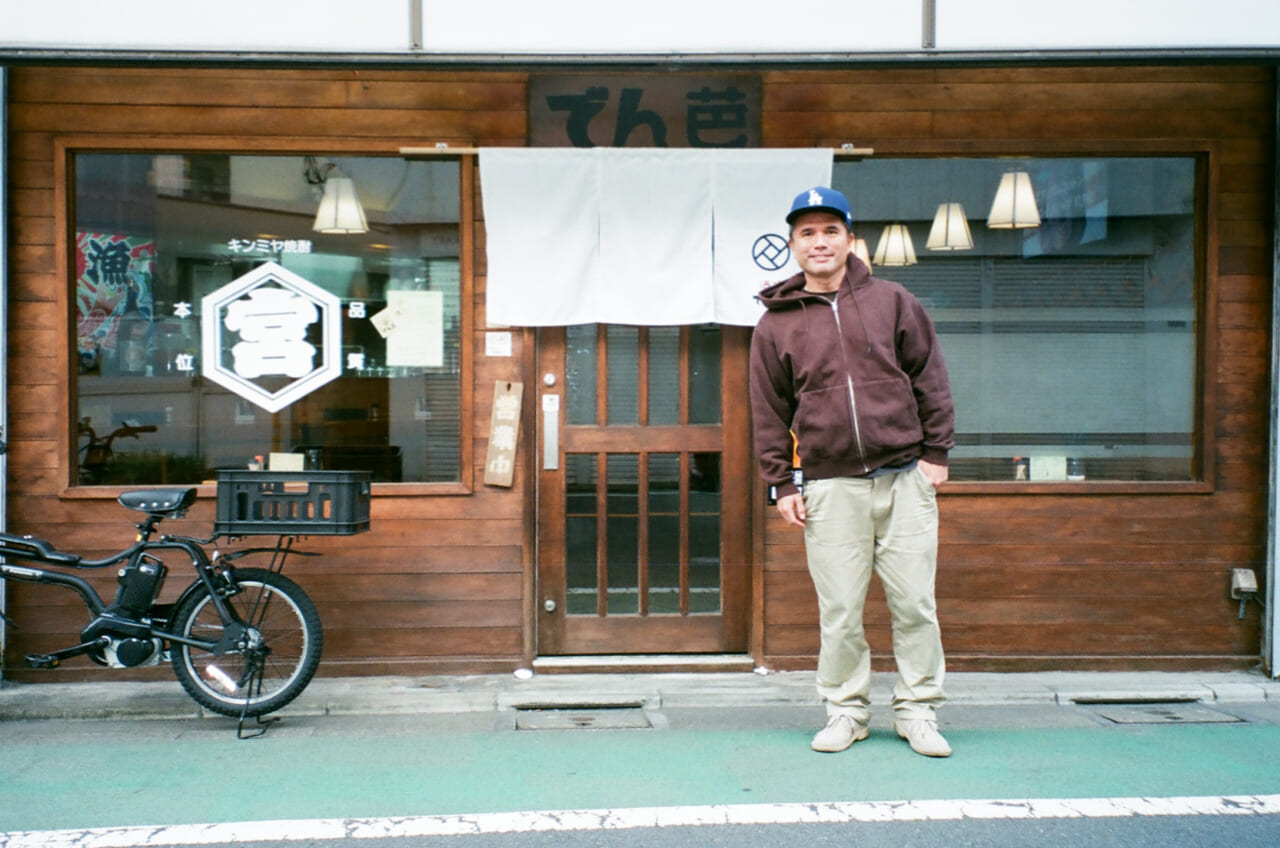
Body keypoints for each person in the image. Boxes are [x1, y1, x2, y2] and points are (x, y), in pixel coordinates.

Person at [749, 186, 956, 758]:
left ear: (849, 239)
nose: (819, 242)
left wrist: (936, 455)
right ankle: (846, 712)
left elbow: (931, 378)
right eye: (807, 233)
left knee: (915, 606)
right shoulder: (774, 325)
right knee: (840, 613)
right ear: (793, 245)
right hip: (830, 485)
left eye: (830, 231)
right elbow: (769, 409)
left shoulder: (893, 301)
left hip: (905, 478)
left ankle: (918, 711)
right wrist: (781, 482)